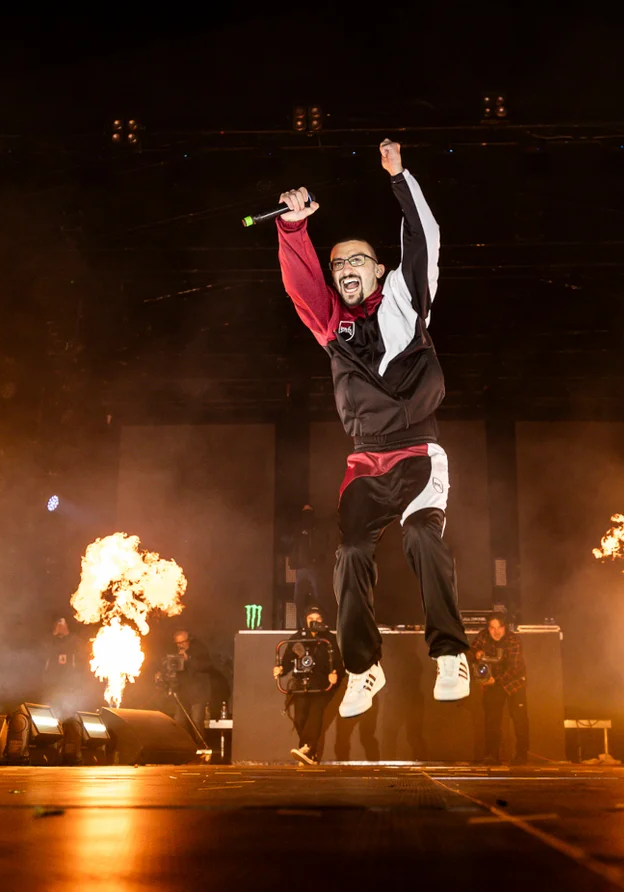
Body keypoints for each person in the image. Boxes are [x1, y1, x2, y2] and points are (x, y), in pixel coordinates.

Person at [274, 139, 470, 719]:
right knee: (351, 553)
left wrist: (399, 176)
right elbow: (299, 284)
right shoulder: (333, 325)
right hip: (365, 461)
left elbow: (426, 238)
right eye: (338, 265)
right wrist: (293, 229)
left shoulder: (405, 302)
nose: (344, 270)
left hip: (417, 453)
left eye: (356, 260)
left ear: (379, 269)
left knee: (418, 539)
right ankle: (363, 667)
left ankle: (449, 653)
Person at [274, 606, 342, 764]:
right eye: (311, 619)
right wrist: (281, 669)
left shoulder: (329, 639)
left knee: (315, 713)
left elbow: (339, 663)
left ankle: (306, 747)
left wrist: (335, 674)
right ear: (305, 620)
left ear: (323, 621)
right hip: (302, 682)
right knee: (300, 718)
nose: (314, 622)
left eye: (318, 619)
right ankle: (310, 754)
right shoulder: (298, 637)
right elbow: (287, 662)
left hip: (323, 683)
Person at [470, 614, 528, 765]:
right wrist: (476, 653)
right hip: (493, 684)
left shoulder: (513, 640)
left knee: (520, 719)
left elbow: (514, 669)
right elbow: (471, 650)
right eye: (492, 628)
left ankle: (522, 755)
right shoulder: (483, 636)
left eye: (499, 627)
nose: (496, 632)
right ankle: (491, 755)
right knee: (492, 720)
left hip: (514, 683)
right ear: (488, 628)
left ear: (505, 627)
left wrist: (495, 680)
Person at [167, 629, 214, 731]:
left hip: (198, 694)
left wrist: (189, 660)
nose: (180, 645)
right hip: (182, 693)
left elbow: (207, 666)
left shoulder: (199, 650)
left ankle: (200, 745)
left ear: (189, 640)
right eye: (178, 643)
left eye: (182, 642)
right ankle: (184, 745)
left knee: (196, 720)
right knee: (179, 721)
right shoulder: (174, 653)